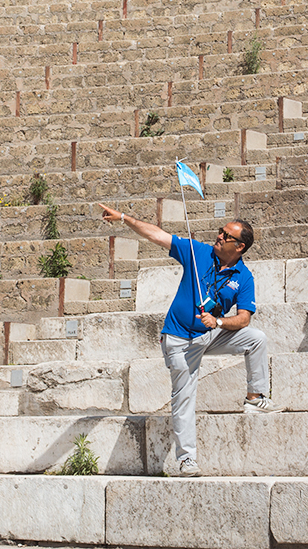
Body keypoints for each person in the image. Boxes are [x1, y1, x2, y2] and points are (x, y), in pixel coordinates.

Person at [98, 203, 277, 477]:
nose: (219, 236)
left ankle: (255, 396)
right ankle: (187, 460)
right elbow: (157, 235)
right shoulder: (198, 252)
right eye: (220, 231)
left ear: (239, 247)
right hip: (179, 338)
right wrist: (123, 218)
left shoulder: (244, 277)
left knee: (256, 338)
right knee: (184, 396)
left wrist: (217, 322)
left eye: (226, 235)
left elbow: (243, 319)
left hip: (209, 334)